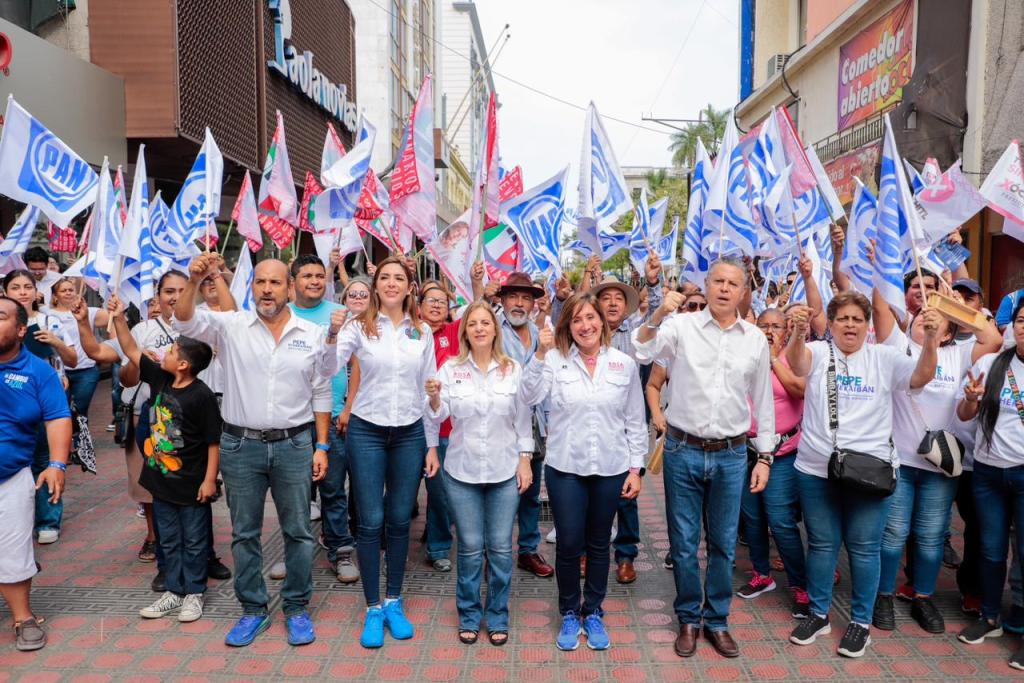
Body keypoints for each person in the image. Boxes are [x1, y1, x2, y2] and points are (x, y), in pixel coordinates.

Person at [175, 253, 337, 649]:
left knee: (298, 531)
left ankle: (296, 607)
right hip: (240, 445)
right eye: (260, 282)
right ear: (251, 287)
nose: (267, 289)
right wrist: (194, 281)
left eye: (275, 282)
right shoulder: (231, 326)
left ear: (290, 288)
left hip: (295, 445)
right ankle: (252, 609)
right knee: (244, 533)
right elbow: (185, 321)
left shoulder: (311, 333)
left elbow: (321, 391)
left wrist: (321, 445)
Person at [784, 292, 941, 658]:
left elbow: (921, 376)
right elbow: (797, 363)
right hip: (816, 469)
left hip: (870, 472)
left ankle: (860, 623)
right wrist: (798, 332)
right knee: (822, 545)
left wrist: (932, 339)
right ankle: (818, 614)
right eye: (843, 318)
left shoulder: (884, 357)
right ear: (831, 324)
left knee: (865, 549)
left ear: (867, 325)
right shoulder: (819, 352)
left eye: (857, 319)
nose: (850, 325)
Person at [633, 257, 775, 660]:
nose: (724, 289)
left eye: (733, 283)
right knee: (683, 544)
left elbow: (763, 399)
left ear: (743, 292)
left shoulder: (755, 339)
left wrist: (765, 457)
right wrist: (658, 312)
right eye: (718, 281)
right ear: (707, 285)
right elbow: (642, 349)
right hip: (683, 450)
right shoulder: (681, 326)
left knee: (724, 544)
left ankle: (717, 620)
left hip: (731, 454)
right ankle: (688, 619)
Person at [872, 286, 1002, 634]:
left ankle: (923, 598)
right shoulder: (897, 347)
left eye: (937, 319)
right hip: (900, 462)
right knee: (893, 535)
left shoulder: (959, 355)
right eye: (922, 314)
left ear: (948, 333)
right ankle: (883, 596)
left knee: (930, 538)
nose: (926, 318)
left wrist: (954, 308)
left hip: (940, 467)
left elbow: (992, 337)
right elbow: (880, 307)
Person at [522, 292, 645, 652]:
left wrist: (636, 468)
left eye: (591, 317)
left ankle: (592, 610)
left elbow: (635, 419)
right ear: (568, 326)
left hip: (610, 466)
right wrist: (540, 353)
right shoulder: (555, 360)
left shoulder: (623, 363)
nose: (585, 325)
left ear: (602, 322)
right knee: (569, 543)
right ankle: (568, 612)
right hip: (566, 467)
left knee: (599, 542)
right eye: (576, 319)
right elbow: (528, 396)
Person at [332, 256, 440, 649]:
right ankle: (373, 606)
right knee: (371, 520)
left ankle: (394, 599)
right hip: (366, 431)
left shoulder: (421, 331)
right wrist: (332, 335)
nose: (392, 283)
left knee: (398, 518)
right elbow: (328, 366)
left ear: (410, 287)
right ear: (375, 285)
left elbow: (429, 390)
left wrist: (431, 444)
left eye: (399, 278)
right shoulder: (357, 326)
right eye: (385, 278)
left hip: (410, 433)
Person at [425, 301, 535, 646]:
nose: (479, 329)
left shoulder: (513, 369)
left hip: (504, 471)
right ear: (465, 331)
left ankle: (498, 615)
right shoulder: (450, 369)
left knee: (501, 548)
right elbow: (438, 415)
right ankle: (470, 615)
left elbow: (523, 420)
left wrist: (525, 459)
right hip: (462, 472)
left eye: (485, 322)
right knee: (471, 548)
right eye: (472, 324)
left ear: (495, 329)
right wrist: (433, 399)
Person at [108, 296, 221, 624]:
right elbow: (131, 350)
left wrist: (209, 480)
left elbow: (213, 442)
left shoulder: (202, 396)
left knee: (195, 540)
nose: (163, 354)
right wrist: (119, 318)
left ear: (183, 364)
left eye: (171, 351)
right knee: (168, 540)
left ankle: (194, 592)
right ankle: (174, 590)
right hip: (160, 481)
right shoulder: (160, 379)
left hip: (191, 485)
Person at [955, 298, 1024, 671]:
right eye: (1021, 320)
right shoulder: (989, 365)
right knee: (991, 549)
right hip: (988, 474)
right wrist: (970, 399)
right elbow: (964, 414)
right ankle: (990, 616)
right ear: (1012, 326)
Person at [0, 296, 71, 651]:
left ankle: (23, 617)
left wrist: (57, 464)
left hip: (11, 476)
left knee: (13, 549)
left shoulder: (39, 371)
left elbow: (57, 416)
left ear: (20, 329)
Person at [592, 251, 662, 585]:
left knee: (626, 493)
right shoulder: (585, 332)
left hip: (626, 428)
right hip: (592, 427)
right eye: (605, 298)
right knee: (589, 492)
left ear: (626, 305)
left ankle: (625, 555)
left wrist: (653, 281)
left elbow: (659, 318)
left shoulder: (635, 332)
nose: (612, 303)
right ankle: (588, 550)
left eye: (618, 298)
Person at [288, 254, 359, 585]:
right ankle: (292, 555)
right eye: (307, 276)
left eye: (319, 276)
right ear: (294, 282)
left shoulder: (341, 314)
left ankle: (340, 551)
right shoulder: (283, 316)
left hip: (331, 417)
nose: (315, 281)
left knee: (333, 490)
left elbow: (357, 364)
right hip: (291, 419)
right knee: (294, 493)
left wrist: (347, 407)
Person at [736, 308, 809, 618]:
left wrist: (774, 359)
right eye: (763, 325)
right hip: (746, 450)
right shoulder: (745, 356)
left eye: (776, 326)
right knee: (752, 518)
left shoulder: (795, 358)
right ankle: (762, 574)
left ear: (786, 330)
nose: (769, 331)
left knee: (780, 520)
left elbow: (799, 390)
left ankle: (800, 585)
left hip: (782, 453)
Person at [2, 271, 77, 545]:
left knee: (44, 460)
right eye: (15, 287)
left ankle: (47, 520)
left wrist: (54, 341)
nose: (22, 292)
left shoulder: (49, 321)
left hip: (42, 402)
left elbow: (72, 359)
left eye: (27, 287)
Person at [494, 272, 554, 579]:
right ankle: (496, 552)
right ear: (503, 300)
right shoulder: (491, 328)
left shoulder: (540, 331)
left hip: (535, 423)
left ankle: (528, 551)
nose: (519, 303)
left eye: (526, 298)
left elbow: (548, 379)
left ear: (534, 303)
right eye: (513, 297)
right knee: (502, 492)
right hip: (502, 424)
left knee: (530, 493)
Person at [43, 277, 109, 418]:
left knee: (80, 412)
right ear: (55, 295)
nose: (68, 293)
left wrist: (113, 302)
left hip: (86, 371)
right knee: (60, 411)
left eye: (71, 290)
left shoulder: (88, 311)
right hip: (58, 372)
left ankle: (81, 433)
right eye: (63, 291)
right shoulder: (45, 313)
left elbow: (113, 316)